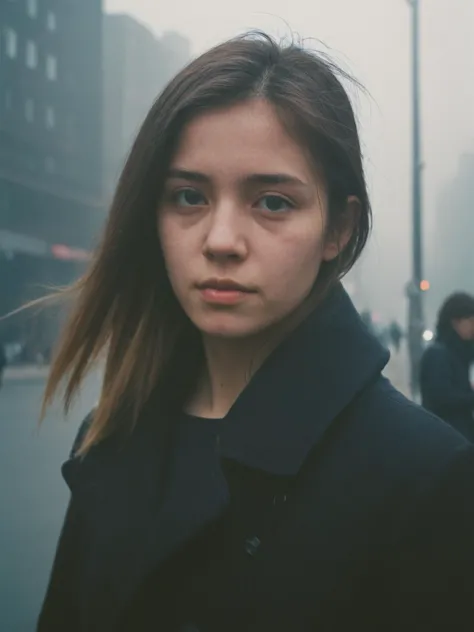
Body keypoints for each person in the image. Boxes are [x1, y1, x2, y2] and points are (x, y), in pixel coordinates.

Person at [37, 33, 474, 632]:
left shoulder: (426, 475)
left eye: (271, 202)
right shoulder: (110, 435)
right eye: (189, 196)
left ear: (338, 228)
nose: (220, 240)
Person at [420, 292, 474, 441]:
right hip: (444, 440)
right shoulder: (438, 355)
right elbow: (441, 398)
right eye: (470, 320)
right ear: (455, 322)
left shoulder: (460, 352)